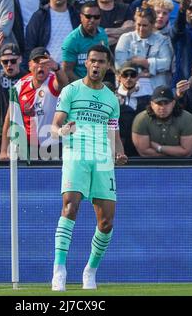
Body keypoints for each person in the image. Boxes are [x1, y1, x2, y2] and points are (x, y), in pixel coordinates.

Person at [50, 44, 127, 292]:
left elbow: (114, 131)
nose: (96, 65)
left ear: (107, 66)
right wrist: (62, 131)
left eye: (101, 62)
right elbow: (55, 125)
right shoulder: (71, 90)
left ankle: (90, 271)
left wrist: (120, 151)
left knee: (106, 223)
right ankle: (59, 270)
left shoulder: (111, 99)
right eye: (92, 60)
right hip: (76, 154)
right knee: (70, 206)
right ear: (86, 63)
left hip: (103, 159)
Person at [0, 46, 68, 161]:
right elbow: (8, 118)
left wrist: (57, 68)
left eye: (45, 62)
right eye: (37, 62)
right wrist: (3, 151)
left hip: (53, 146)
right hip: (28, 147)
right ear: (30, 65)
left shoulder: (52, 81)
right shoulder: (19, 86)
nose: (41, 65)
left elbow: (63, 84)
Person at [115, 2, 173, 90]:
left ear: (153, 25)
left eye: (145, 25)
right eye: (138, 25)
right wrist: (140, 74)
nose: (141, 29)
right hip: (130, 87)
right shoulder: (126, 38)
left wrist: (145, 62)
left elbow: (166, 63)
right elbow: (120, 65)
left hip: (155, 87)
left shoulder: (162, 40)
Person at [132, 85, 192, 157]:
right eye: (159, 103)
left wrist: (159, 148)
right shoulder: (141, 119)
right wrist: (174, 153)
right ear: (152, 104)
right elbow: (144, 152)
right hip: (150, 164)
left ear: (173, 103)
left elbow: (186, 152)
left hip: (180, 165)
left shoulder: (187, 119)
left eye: (166, 103)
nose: (163, 107)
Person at [61, 1, 109, 82]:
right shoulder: (71, 40)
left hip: (100, 82)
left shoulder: (102, 33)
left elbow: (108, 58)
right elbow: (67, 71)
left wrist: (118, 73)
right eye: (88, 16)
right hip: (81, 86)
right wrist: (86, 86)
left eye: (96, 17)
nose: (92, 20)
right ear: (81, 17)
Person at [24, 0, 80, 65]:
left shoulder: (76, 16)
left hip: (71, 70)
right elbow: (30, 46)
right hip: (46, 70)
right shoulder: (39, 16)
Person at [0, 31, 27, 127]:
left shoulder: (27, 78)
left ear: (20, 59)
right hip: (4, 127)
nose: (9, 64)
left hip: (25, 127)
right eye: (5, 62)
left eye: (13, 61)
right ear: (0, 62)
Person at [115, 61, 151, 157]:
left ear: (138, 77)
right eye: (125, 75)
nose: (129, 78)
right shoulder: (113, 97)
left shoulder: (147, 98)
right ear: (119, 77)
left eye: (133, 75)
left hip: (140, 142)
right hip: (118, 141)